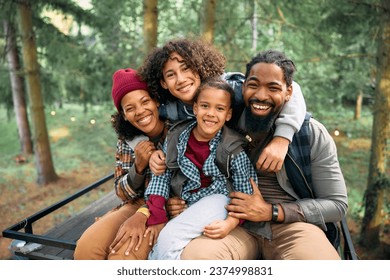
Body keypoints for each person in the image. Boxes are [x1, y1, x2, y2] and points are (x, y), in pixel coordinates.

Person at [178, 50, 348, 260]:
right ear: (244, 86)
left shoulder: (310, 134)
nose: (260, 95)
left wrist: (272, 211)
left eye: (273, 88)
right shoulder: (223, 118)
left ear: (289, 93)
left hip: (292, 226)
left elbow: (337, 205)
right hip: (231, 222)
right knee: (197, 258)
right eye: (253, 85)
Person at [138, 38, 307, 176]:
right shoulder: (171, 108)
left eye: (186, 68)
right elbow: (133, 118)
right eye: (171, 74)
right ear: (163, 83)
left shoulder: (229, 89)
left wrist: (282, 139)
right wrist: (149, 151)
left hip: (248, 165)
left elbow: (293, 89)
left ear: (198, 66)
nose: (181, 79)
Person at [143, 78, 258, 260]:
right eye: (205, 106)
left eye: (219, 109)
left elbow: (246, 193)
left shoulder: (233, 148)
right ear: (195, 108)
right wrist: (157, 214)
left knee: (168, 237)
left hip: (220, 200)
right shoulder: (176, 137)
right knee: (162, 242)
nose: (211, 113)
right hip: (186, 202)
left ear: (228, 114)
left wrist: (231, 222)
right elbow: (161, 177)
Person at [74, 68, 170, 260]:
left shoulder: (177, 131)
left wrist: (145, 213)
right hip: (136, 204)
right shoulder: (128, 139)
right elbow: (121, 191)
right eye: (130, 108)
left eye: (145, 101)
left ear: (156, 101)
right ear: (124, 115)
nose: (140, 111)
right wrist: (138, 168)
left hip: (166, 208)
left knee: (123, 257)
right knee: (86, 249)